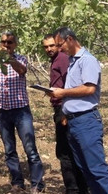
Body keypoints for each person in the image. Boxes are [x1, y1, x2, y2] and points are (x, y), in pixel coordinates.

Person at [0, 26, 45, 193]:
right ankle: (17, 182)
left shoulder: (21, 59)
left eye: (10, 42)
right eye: (3, 42)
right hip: (1, 111)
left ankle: (37, 184)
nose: (6, 45)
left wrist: (9, 58)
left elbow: (21, 70)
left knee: (30, 148)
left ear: (15, 44)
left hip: (21, 111)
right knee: (9, 149)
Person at [48, 27, 108, 194]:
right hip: (74, 122)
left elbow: (89, 89)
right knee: (84, 169)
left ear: (70, 39)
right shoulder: (73, 61)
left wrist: (62, 93)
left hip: (86, 121)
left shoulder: (87, 60)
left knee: (97, 169)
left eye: (60, 44)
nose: (58, 48)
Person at [42, 34, 90, 194]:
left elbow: (70, 85)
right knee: (68, 151)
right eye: (46, 47)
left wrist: (63, 112)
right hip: (62, 108)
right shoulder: (57, 59)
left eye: (52, 46)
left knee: (66, 153)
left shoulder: (62, 59)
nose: (49, 49)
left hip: (64, 109)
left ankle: (74, 189)